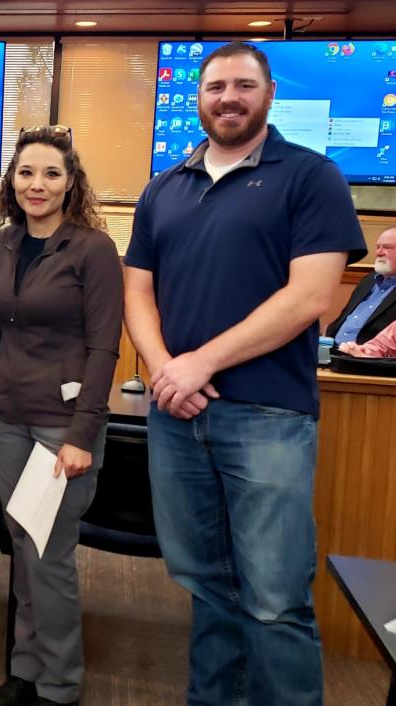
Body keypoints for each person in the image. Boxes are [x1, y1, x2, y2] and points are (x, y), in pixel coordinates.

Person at [124, 42, 366, 705]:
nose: (227, 97)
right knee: (208, 590)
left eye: (242, 85)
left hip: (267, 418)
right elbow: (137, 292)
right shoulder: (163, 188)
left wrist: (199, 362)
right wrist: (165, 370)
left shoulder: (312, 176)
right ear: (196, 98)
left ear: (268, 95)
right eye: (214, 87)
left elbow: (310, 297)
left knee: (275, 599)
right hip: (179, 417)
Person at [0, 126, 123, 706]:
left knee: (48, 556)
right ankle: (24, 669)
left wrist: (82, 434)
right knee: (22, 545)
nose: (36, 184)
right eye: (26, 173)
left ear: (71, 183)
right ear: (11, 180)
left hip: (58, 427)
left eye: (50, 173)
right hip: (5, 420)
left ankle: (60, 684)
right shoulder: (5, 242)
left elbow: (104, 348)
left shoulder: (93, 249)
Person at [326, 226, 396, 345]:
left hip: (368, 360)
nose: (379, 253)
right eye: (378, 247)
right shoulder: (368, 281)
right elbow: (343, 318)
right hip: (333, 353)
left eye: (387, 248)